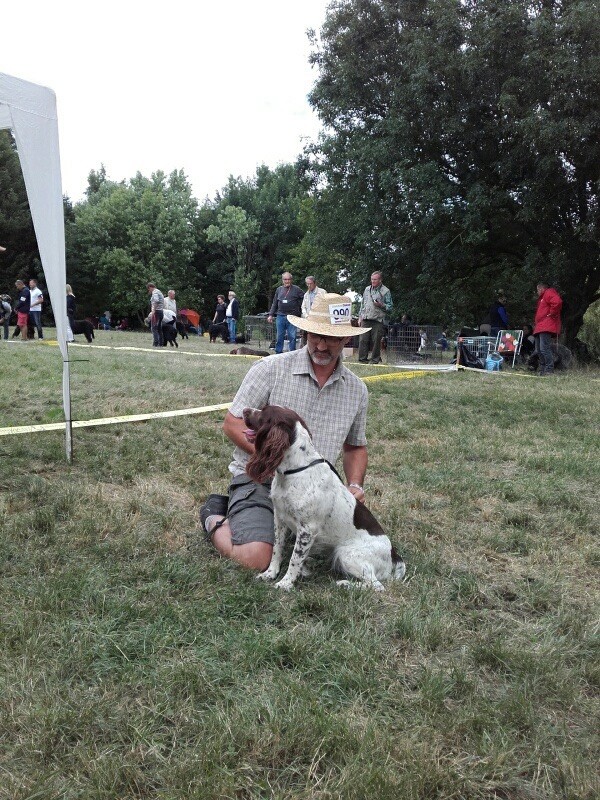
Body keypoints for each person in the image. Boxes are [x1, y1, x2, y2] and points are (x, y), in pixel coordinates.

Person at [199, 293, 372, 571]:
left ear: (346, 340)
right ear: (304, 331)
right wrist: (272, 458)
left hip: (317, 489)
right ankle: (213, 515)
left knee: (350, 549)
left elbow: (355, 447)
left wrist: (355, 485)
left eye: (331, 338)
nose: (321, 344)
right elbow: (232, 424)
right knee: (257, 557)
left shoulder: (357, 390)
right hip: (261, 478)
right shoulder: (270, 368)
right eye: (314, 335)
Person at [358, 271, 393, 364]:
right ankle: (362, 359)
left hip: (378, 320)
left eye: (375, 279)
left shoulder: (385, 291)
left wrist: (381, 305)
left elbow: (390, 307)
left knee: (376, 341)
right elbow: (363, 304)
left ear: (380, 280)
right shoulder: (367, 289)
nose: (372, 281)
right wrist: (360, 317)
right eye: (372, 279)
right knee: (362, 340)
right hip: (366, 318)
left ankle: (375, 360)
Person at [267, 272, 304, 354]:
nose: (287, 281)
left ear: (291, 280)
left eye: (289, 279)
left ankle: (292, 353)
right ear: (282, 280)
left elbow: (305, 299)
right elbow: (274, 303)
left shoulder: (297, 289)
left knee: (292, 336)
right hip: (280, 316)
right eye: (285, 279)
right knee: (279, 336)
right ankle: (278, 353)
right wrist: (270, 315)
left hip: (292, 317)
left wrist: (301, 310)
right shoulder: (279, 289)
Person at [533, 281, 563, 376]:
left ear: (541, 288)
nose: (537, 292)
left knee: (544, 348)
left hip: (546, 325)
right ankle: (542, 369)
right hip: (540, 326)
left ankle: (549, 369)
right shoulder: (542, 298)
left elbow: (557, 302)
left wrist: (552, 313)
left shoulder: (548, 292)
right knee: (538, 349)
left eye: (537, 290)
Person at [147, 282, 164, 347]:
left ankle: (155, 343)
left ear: (150, 287)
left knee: (154, 328)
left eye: (149, 289)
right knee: (159, 328)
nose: (149, 291)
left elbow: (156, 301)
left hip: (157, 312)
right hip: (161, 312)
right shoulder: (159, 292)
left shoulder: (155, 292)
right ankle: (161, 343)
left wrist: (153, 311)